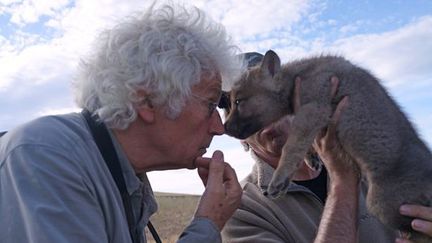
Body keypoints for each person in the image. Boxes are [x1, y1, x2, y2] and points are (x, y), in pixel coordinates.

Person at [0, 3, 243, 243]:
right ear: (146, 101)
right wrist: (208, 223)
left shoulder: (118, 173)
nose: (219, 128)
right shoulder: (45, 157)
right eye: (210, 105)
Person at [220, 52, 432, 243]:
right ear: (241, 137)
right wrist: (342, 181)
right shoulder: (240, 211)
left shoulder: (374, 154)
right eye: (235, 105)